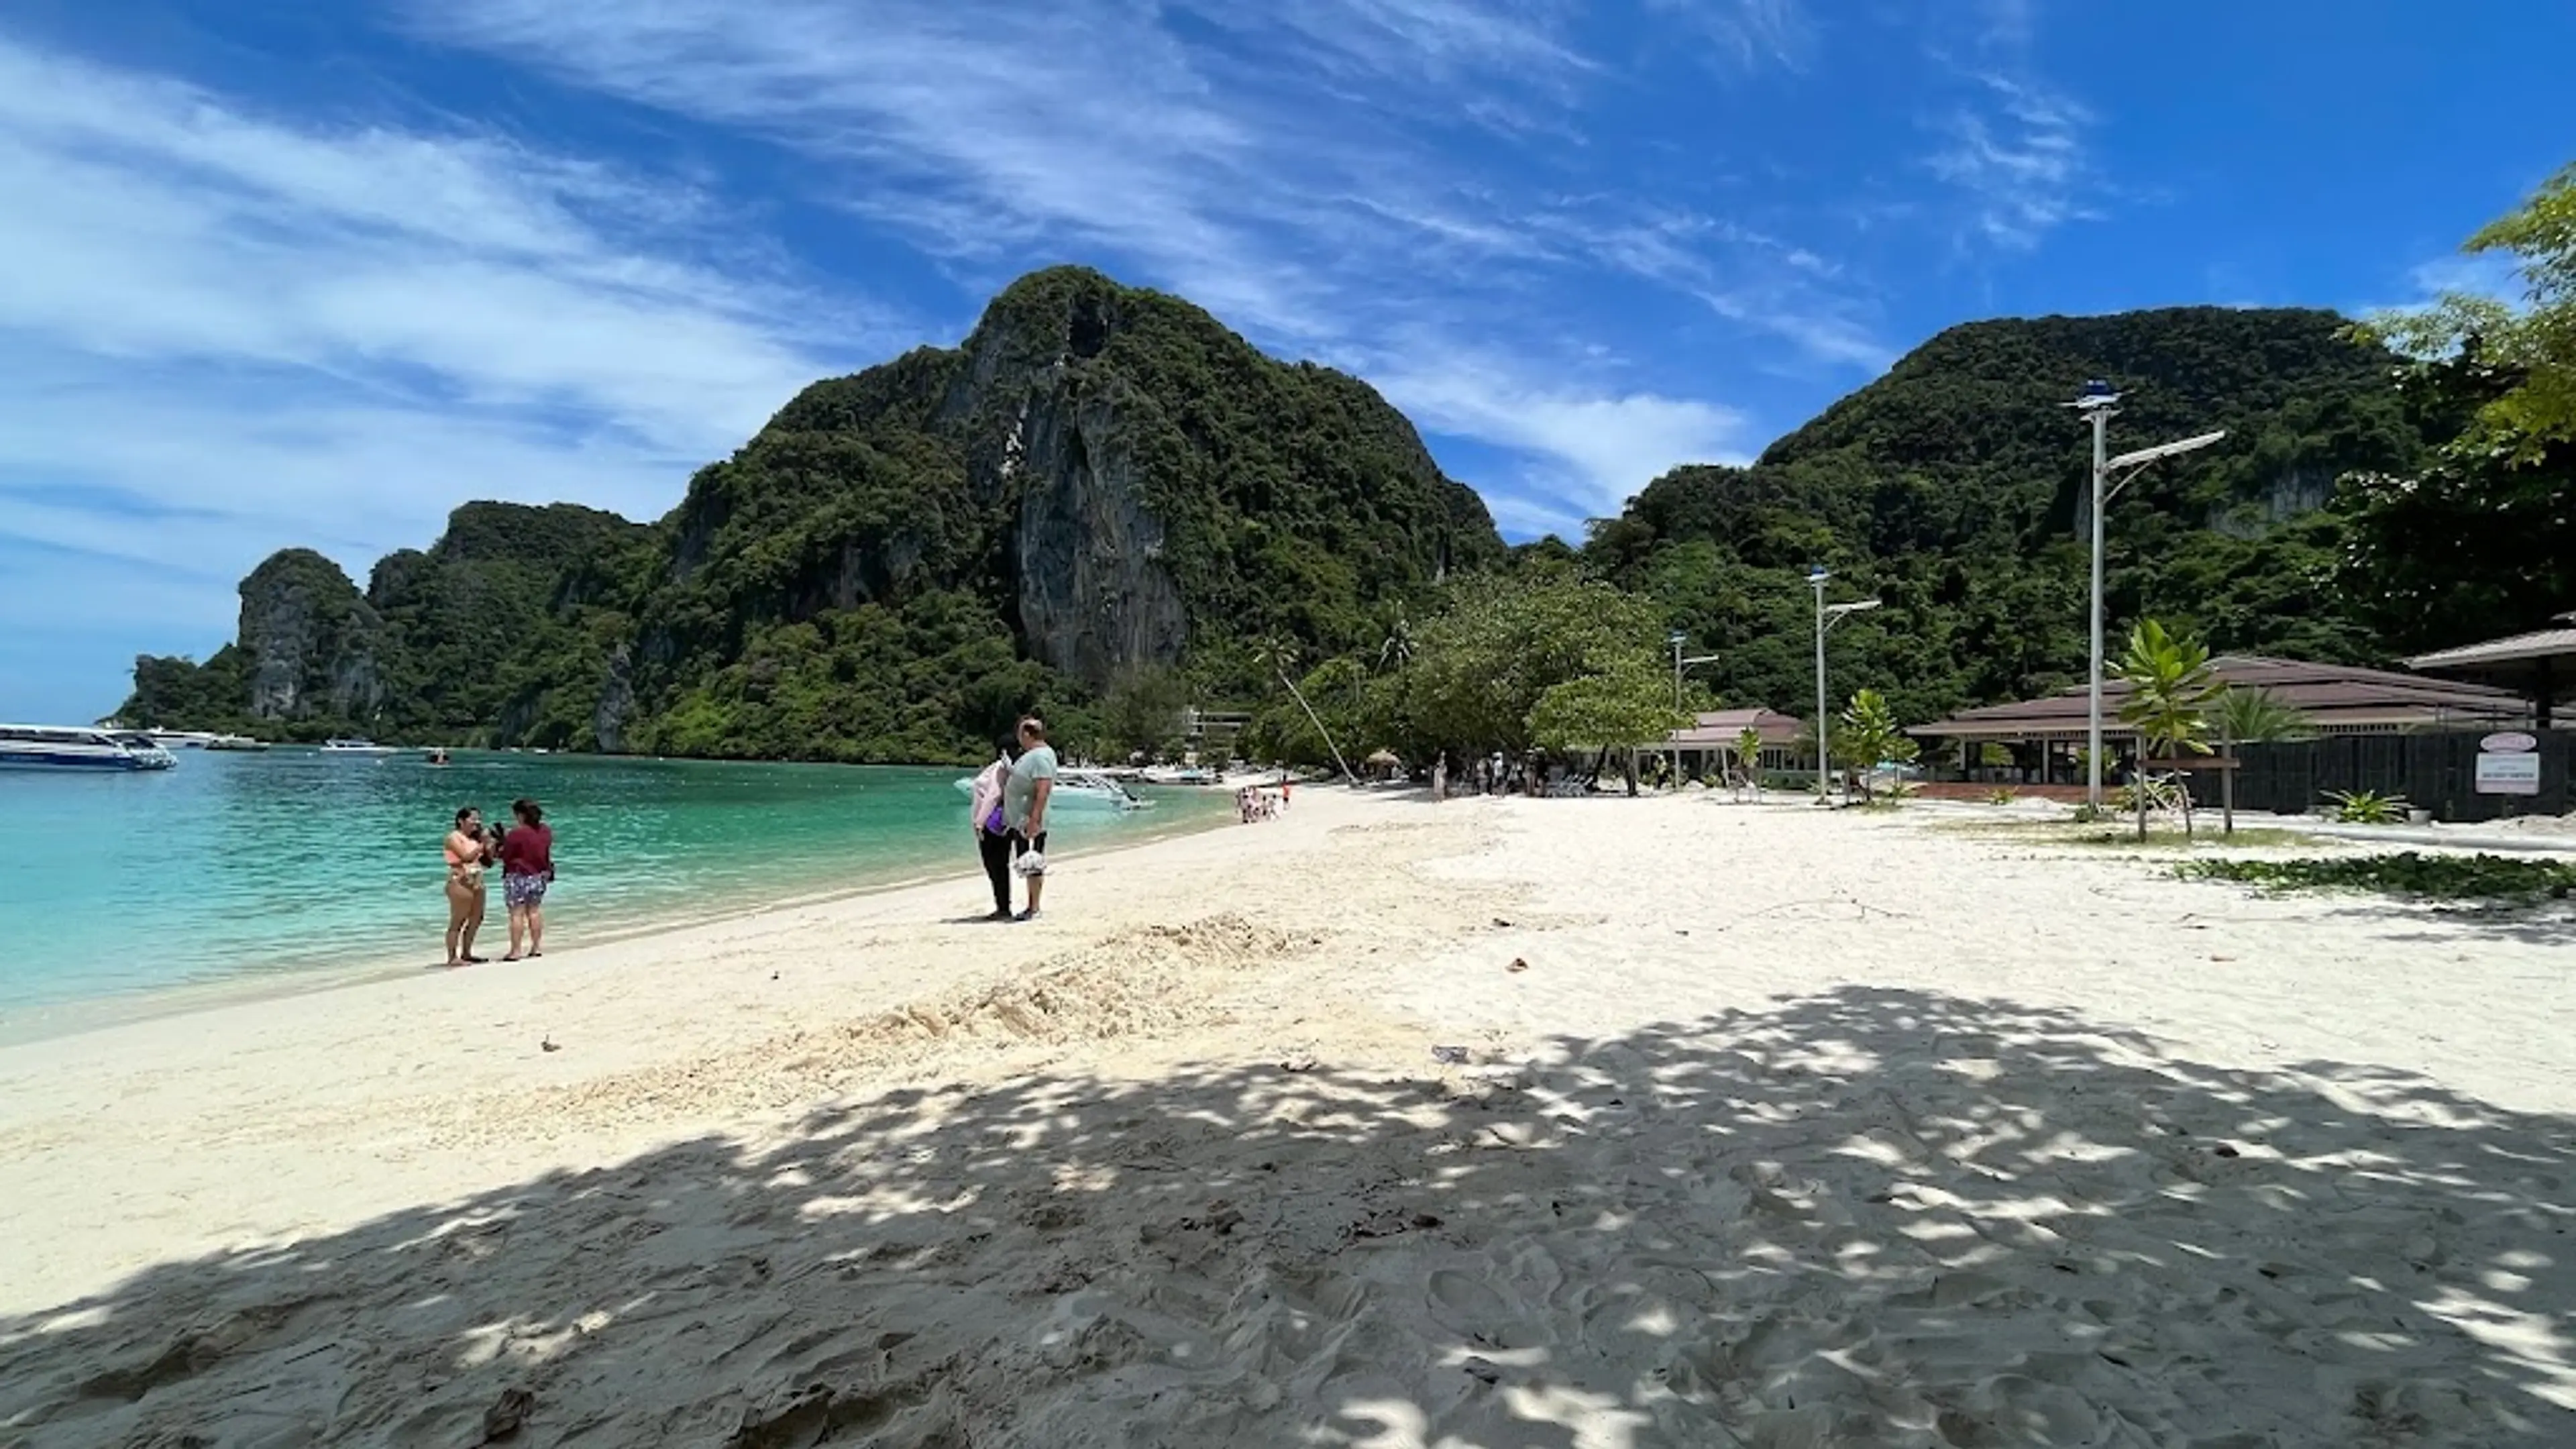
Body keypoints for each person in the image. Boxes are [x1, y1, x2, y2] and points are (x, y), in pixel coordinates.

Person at [1002, 715, 1057, 921]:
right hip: (1024, 819)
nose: (1019, 739)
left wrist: (1034, 820)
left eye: (1020, 734)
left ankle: (1034, 908)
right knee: (1027, 862)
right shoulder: (1034, 755)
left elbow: (1043, 789)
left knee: (1032, 862)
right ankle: (1031, 906)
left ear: (1027, 734)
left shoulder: (1040, 756)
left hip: (1030, 821)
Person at [498, 797, 555, 961]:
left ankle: (516, 951)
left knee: (517, 913)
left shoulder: (517, 833)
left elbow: (506, 855)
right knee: (534, 911)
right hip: (539, 875)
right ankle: (536, 947)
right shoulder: (545, 830)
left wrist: (500, 844)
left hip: (518, 875)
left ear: (521, 815)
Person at [967, 737, 1018, 920]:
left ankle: (1003, 907)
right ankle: (1003, 906)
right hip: (1004, 821)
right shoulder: (1010, 767)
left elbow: (993, 795)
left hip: (993, 823)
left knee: (994, 865)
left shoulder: (1000, 768)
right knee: (999, 864)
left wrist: (979, 822)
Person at [442, 806, 489, 967]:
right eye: (473, 819)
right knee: (458, 920)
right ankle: (452, 956)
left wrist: (491, 846)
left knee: (477, 918)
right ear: (461, 821)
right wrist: (482, 845)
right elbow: (465, 857)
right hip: (459, 882)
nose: (477, 822)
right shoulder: (453, 837)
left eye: (478, 819)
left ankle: (467, 952)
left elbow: (487, 863)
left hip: (476, 881)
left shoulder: (475, 839)